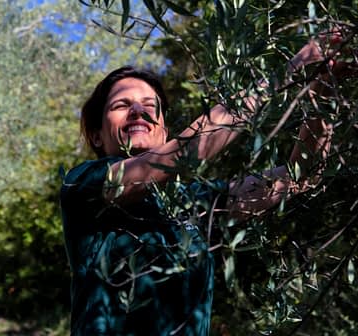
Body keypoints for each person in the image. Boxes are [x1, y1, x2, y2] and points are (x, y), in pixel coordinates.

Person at [60, 40, 337, 335]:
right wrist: (290, 70)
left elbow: (302, 175)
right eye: (121, 105)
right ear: (97, 135)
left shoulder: (197, 202)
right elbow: (182, 154)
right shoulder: (83, 185)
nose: (139, 110)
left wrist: (326, 84)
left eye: (151, 106)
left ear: (164, 130)